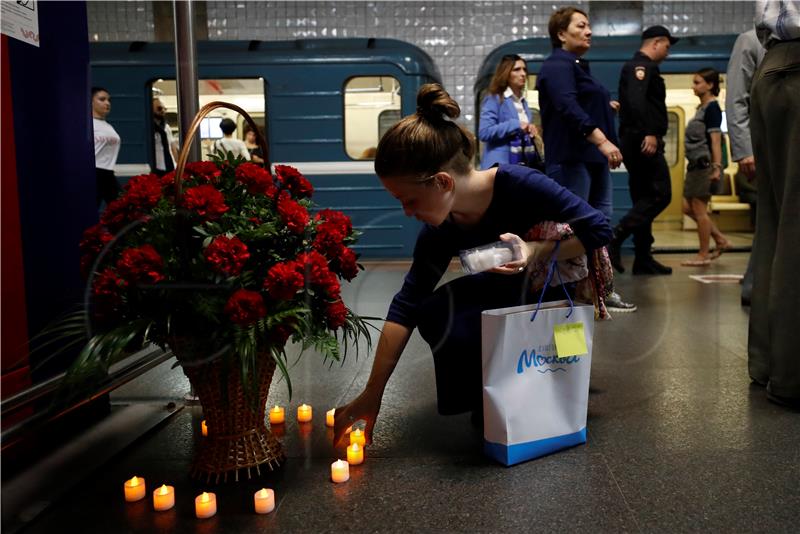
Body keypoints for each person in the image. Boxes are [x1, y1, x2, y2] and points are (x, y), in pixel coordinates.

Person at [332, 84, 612, 445]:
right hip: (509, 291)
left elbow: (600, 229)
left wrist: (535, 248)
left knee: (543, 343)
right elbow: (406, 304)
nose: (406, 211)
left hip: (553, 291)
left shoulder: (522, 184)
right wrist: (372, 394)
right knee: (434, 309)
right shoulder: (440, 231)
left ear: (443, 182)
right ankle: (489, 394)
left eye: (410, 199)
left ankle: (549, 382)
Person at [536, 6, 636, 313]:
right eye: (581, 25)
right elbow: (566, 105)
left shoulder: (578, 66)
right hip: (570, 160)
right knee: (571, 228)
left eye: (588, 25)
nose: (589, 31)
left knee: (598, 225)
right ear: (561, 34)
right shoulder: (556, 65)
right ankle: (562, 295)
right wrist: (604, 141)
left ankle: (596, 289)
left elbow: (579, 101)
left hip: (589, 160)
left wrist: (605, 106)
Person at [748, 0, 800, 410]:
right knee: (796, 225)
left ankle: (767, 362)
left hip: (773, 63)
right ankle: (792, 376)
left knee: (774, 222)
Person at [608, 25, 678, 276]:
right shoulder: (643, 67)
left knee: (642, 196)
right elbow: (638, 103)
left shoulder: (640, 67)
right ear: (656, 42)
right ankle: (616, 236)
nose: (667, 53)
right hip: (642, 140)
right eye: (667, 47)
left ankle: (642, 258)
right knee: (661, 194)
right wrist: (650, 132)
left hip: (634, 139)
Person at [725, 30, 764, 305]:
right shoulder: (751, 41)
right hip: (766, 148)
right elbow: (737, 99)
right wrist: (744, 150)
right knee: (771, 222)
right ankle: (754, 288)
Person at [680, 68, 730, 266]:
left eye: (697, 82)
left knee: (700, 210)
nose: (694, 86)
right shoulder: (701, 109)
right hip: (694, 167)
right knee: (686, 207)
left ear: (710, 85)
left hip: (705, 166)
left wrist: (716, 167)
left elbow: (716, 141)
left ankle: (703, 254)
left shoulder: (712, 109)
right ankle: (720, 239)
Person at [478, 54, 538, 169]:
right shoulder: (494, 98)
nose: (523, 74)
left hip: (520, 166)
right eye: (517, 69)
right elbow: (484, 132)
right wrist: (516, 125)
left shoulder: (523, 102)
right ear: (506, 73)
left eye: (524, 69)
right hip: (498, 168)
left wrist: (530, 130)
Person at [91, 86, 121, 207]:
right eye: (102, 99)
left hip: (108, 173)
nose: (107, 103)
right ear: (90, 102)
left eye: (109, 100)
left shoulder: (108, 126)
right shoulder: (86, 124)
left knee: (122, 208)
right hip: (92, 173)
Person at [151, 97, 178, 176]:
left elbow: (173, 147)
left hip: (170, 166)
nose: (163, 111)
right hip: (156, 167)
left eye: (164, 109)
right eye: (159, 108)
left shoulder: (167, 127)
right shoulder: (148, 127)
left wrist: (177, 164)